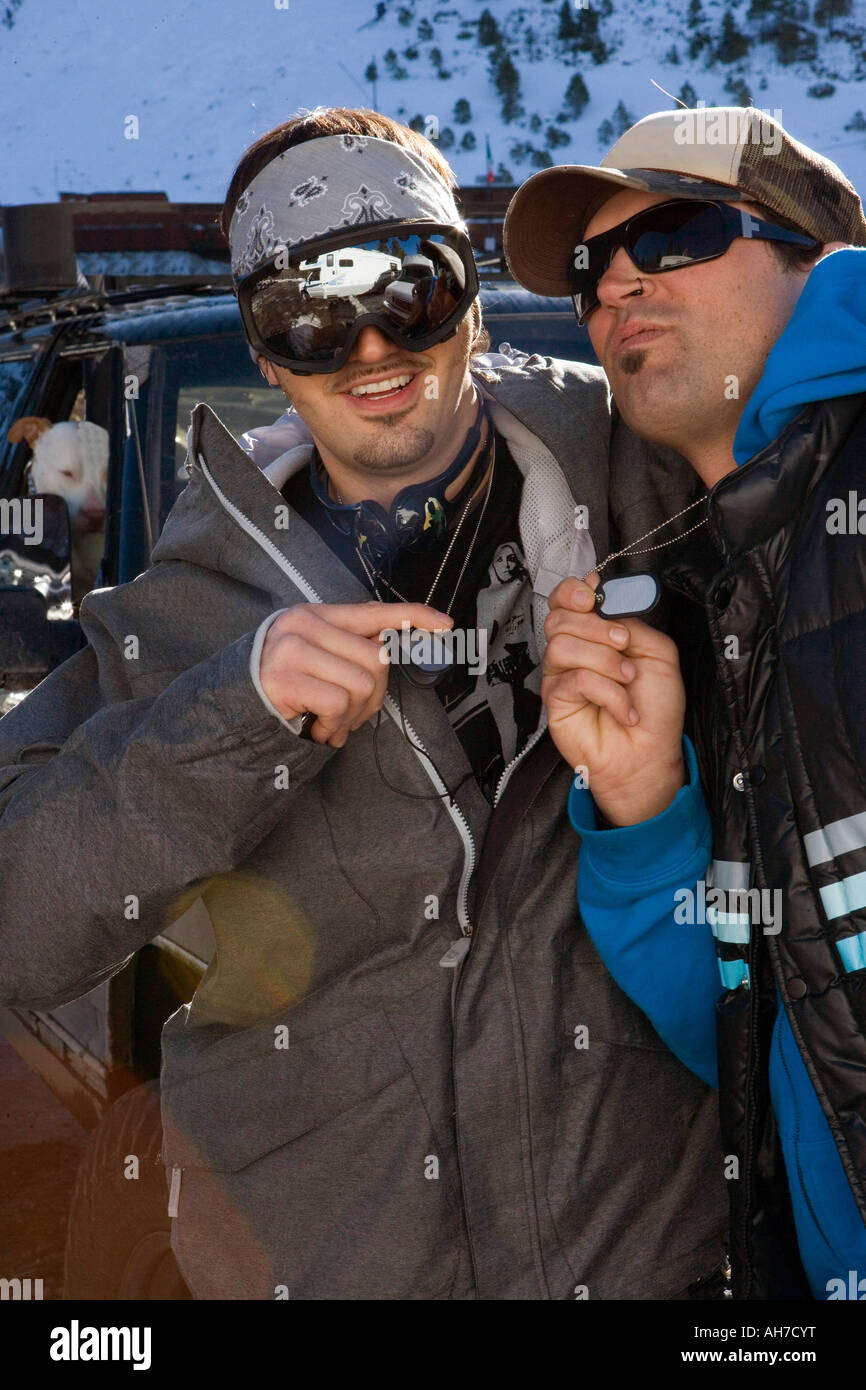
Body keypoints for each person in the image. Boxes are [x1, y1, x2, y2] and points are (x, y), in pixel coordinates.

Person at [0, 107, 727, 1300]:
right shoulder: (179, 611)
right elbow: (25, 929)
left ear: (473, 293)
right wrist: (227, 717)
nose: (371, 346)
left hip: (647, 1259)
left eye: (411, 286)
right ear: (266, 353)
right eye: (309, 313)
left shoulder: (646, 468)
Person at [503, 105, 866, 1299]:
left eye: (670, 234)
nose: (613, 285)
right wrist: (647, 799)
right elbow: (770, 1032)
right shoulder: (733, 580)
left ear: (812, 261)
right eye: (586, 270)